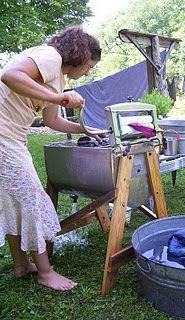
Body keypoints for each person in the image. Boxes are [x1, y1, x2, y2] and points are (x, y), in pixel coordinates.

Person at [0, 26, 102, 291]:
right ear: (79, 55)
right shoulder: (50, 56)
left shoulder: (57, 78)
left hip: (12, 139)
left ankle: (21, 265)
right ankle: (46, 272)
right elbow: (9, 75)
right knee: (34, 200)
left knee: (14, 201)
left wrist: (86, 130)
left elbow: (52, 120)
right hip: (2, 137)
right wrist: (59, 96)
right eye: (89, 65)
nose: (87, 72)